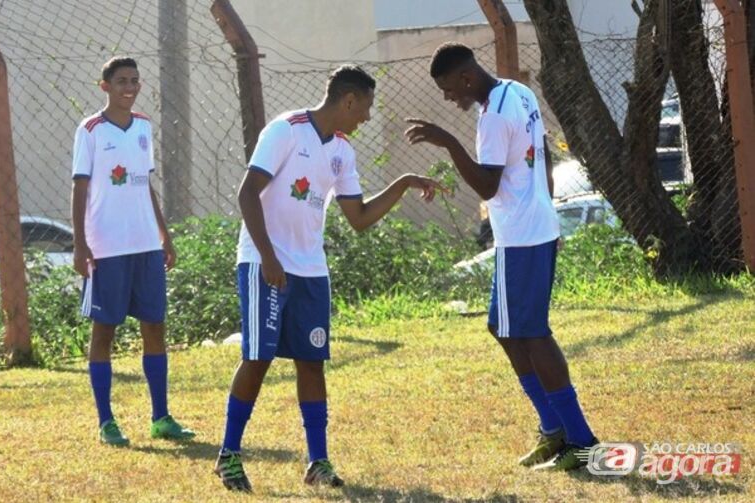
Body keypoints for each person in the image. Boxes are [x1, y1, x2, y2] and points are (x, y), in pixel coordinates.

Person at [214, 64, 441, 492]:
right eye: (366, 108)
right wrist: (268, 258)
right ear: (348, 100)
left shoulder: (342, 150)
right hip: (266, 264)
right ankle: (228, 454)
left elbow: (358, 217)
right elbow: (247, 193)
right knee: (258, 359)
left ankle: (318, 462)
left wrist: (404, 183)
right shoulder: (285, 130)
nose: (367, 119)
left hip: (311, 270)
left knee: (312, 362)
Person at [404, 43, 598, 470]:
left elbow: (488, 186)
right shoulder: (516, 91)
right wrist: (546, 208)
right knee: (503, 327)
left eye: (448, 88)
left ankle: (580, 440)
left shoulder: (491, 117)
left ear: (466, 78)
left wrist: (449, 143)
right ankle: (553, 429)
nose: (447, 97)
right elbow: (543, 152)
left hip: (525, 237)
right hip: (530, 230)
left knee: (531, 333)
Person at [71, 56, 195, 446]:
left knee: (154, 326)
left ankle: (161, 416)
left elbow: (146, 185)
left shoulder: (143, 126)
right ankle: (106, 421)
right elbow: (80, 187)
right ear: (104, 86)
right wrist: (80, 242)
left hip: (145, 245)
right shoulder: (89, 130)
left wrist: (164, 235)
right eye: (122, 80)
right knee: (104, 330)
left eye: (135, 80)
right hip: (107, 247)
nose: (130, 86)